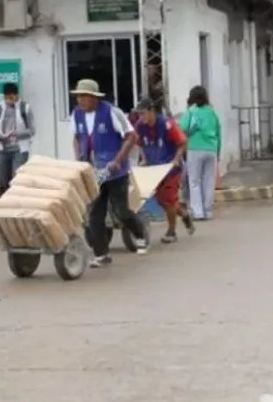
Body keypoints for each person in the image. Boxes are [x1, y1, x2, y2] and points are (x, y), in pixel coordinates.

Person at [71, 78, 147, 267]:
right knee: (95, 215)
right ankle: (102, 254)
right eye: (78, 96)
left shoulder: (111, 112)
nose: (79, 100)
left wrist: (118, 160)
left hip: (115, 171)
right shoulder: (77, 115)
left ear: (94, 97)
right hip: (93, 173)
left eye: (83, 96)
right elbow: (76, 137)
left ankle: (140, 234)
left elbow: (131, 136)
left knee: (121, 211)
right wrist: (79, 156)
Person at [134, 97, 194, 243]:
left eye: (143, 114)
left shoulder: (167, 125)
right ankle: (184, 214)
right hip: (154, 169)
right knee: (162, 201)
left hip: (170, 169)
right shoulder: (140, 126)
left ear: (151, 111)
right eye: (139, 115)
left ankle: (171, 232)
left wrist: (176, 159)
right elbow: (139, 143)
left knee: (167, 200)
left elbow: (182, 142)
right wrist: (144, 159)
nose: (141, 118)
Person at [180, 85, 222, 221]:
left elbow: (182, 129)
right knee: (209, 181)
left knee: (194, 181)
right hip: (212, 149)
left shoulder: (191, 112)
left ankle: (198, 212)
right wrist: (218, 152)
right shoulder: (212, 112)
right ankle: (208, 210)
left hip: (195, 148)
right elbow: (218, 132)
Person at [0, 82, 35, 195]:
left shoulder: (25, 108)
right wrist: (0, 135)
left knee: (17, 178)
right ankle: (3, 204)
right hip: (3, 148)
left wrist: (16, 134)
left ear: (16, 95)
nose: (9, 99)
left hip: (19, 149)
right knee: (3, 178)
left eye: (11, 96)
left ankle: (17, 202)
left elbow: (32, 131)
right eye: (6, 97)